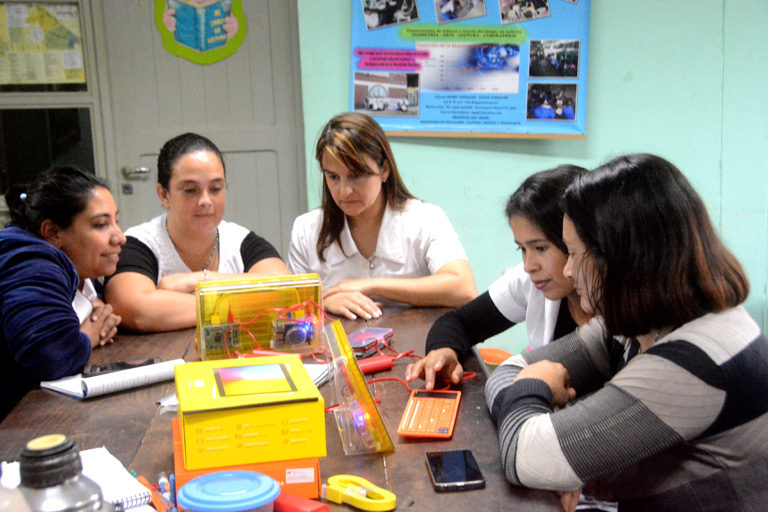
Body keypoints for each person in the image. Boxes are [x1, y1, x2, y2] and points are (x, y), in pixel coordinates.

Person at [485, 154, 768, 511]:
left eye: (575, 254)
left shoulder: (695, 360)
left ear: (622, 258)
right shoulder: (636, 325)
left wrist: (533, 385)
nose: (569, 271)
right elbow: (503, 375)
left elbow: (523, 458)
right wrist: (530, 394)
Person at [405, 165, 590, 391]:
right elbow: (459, 322)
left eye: (540, 248)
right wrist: (445, 351)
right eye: (522, 249)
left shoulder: (618, 323)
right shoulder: (532, 281)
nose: (528, 266)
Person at [289, 112, 476, 320]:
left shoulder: (425, 219)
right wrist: (323, 302)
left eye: (356, 175)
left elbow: (464, 290)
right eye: (333, 177)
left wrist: (371, 285)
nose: (344, 191)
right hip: (339, 348)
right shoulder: (307, 229)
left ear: (384, 170)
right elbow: (291, 311)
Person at [105, 132, 290, 332]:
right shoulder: (139, 243)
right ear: (164, 195)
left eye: (215, 188)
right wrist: (248, 300)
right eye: (191, 190)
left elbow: (286, 291)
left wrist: (201, 280)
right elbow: (137, 311)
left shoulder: (241, 241)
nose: (206, 201)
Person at [0, 166, 125, 419]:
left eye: (116, 221)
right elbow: (49, 354)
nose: (120, 237)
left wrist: (96, 310)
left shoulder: (76, 266)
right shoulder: (31, 261)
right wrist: (87, 337)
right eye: (101, 224)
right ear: (53, 232)